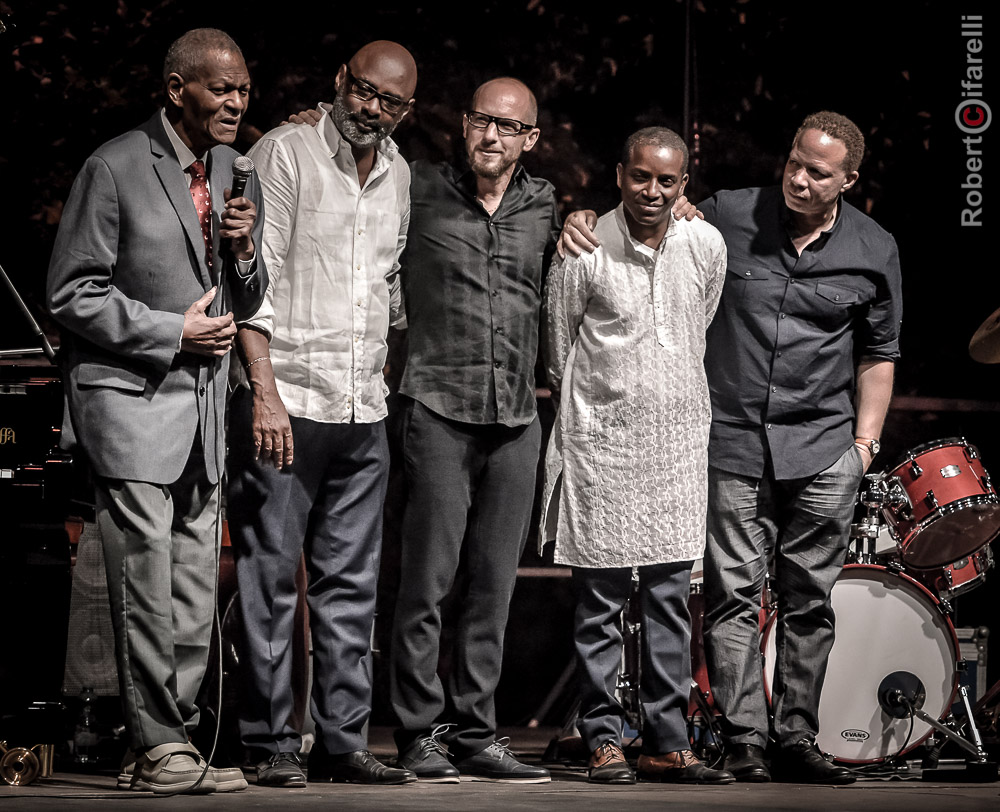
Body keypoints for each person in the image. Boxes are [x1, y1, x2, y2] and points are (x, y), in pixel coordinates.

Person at [558, 111, 901, 784]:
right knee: (732, 595)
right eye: (795, 162)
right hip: (734, 439)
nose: (799, 179)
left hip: (823, 445)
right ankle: (743, 737)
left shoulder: (874, 246)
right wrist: (582, 217)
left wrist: (864, 445)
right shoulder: (725, 217)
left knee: (809, 600)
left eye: (818, 172)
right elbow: (653, 229)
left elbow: (879, 353)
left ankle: (797, 736)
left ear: (849, 180)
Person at [46, 28, 266, 794]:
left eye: (243, 88)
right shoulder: (113, 165)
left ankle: (165, 745)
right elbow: (72, 290)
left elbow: (250, 297)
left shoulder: (237, 171)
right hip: (131, 401)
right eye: (222, 88)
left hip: (203, 412)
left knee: (192, 585)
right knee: (142, 578)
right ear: (178, 90)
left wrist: (243, 254)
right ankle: (162, 740)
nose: (237, 101)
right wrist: (170, 329)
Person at [225, 40, 418, 788]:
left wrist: (385, 373)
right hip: (289, 398)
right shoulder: (284, 151)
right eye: (363, 91)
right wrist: (263, 391)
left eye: (389, 101)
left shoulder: (399, 171)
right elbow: (251, 281)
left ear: (407, 111)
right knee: (270, 580)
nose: (372, 108)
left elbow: (389, 281)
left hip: (361, 404)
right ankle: (270, 740)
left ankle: (341, 741)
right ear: (340, 82)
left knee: (352, 585)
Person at [541, 127, 732, 786]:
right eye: (641, 177)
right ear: (620, 174)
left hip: (677, 446)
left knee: (669, 602)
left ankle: (666, 740)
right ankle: (603, 737)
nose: (653, 191)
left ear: (685, 183)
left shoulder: (705, 243)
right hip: (603, 446)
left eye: (667, 181)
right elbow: (558, 347)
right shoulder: (585, 248)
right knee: (598, 604)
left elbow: (696, 324)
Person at [387, 77, 557, 784]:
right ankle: (419, 733)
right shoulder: (416, 187)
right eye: (483, 122)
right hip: (437, 406)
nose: (493, 136)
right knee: (426, 584)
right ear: (463, 125)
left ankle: (476, 732)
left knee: (494, 587)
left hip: (516, 416)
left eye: (509, 127)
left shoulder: (545, 205)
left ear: (530, 139)